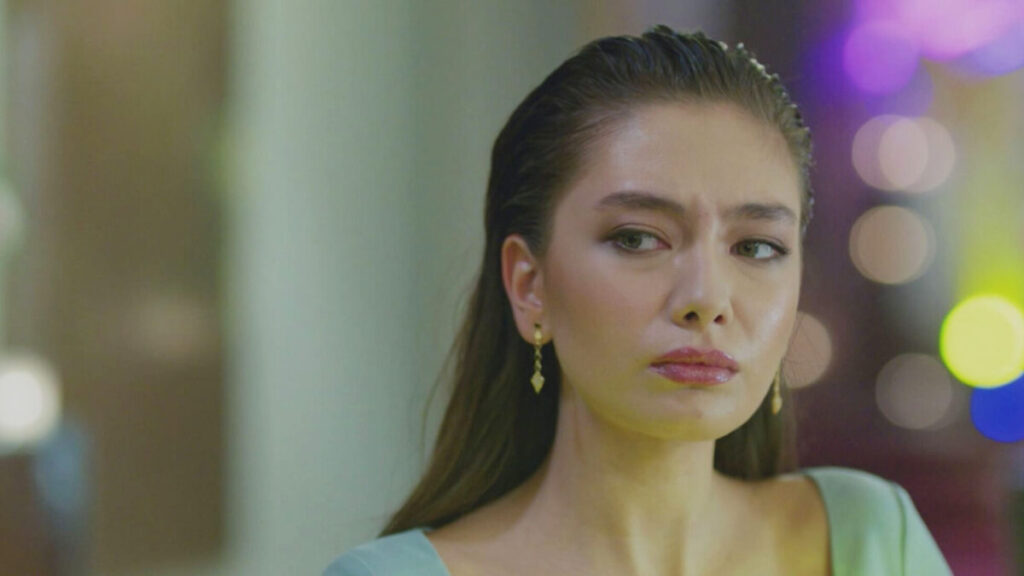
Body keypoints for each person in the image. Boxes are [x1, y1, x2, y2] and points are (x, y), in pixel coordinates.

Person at [324, 25, 952, 576]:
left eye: (757, 246)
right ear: (529, 285)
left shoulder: (871, 538)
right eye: (637, 238)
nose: (706, 298)